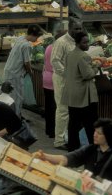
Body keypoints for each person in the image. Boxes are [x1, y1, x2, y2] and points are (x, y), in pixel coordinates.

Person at [35, 118, 112, 188]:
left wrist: (110, 187)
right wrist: (45, 156)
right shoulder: (90, 149)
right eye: (95, 131)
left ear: (108, 136)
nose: (94, 135)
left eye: (99, 133)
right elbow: (67, 159)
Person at [63, 32, 99, 152]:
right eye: (84, 42)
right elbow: (88, 75)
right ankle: (93, 148)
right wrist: (96, 66)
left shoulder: (70, 54)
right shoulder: (83, 56)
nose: (87, 44)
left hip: (72, 94)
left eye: (87, 41)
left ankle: (72, 146)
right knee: (90, 124)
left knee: (73, 123)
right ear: (78, 43)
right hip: (83, 96)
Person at [50, 20, 83, 150]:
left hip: (74, 80)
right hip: (62, 80)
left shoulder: (77, 40)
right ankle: (59, 141)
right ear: (69, 28)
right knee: (63, 110)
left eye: (80, 29)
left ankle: (67, 137)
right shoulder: (61, 42)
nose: (79, 31)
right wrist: (67, 74)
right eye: (76, 29)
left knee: (71, 111)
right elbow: (55, 61)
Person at [4, 25, 42, 117]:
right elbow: (26, 63)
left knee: (10, 95)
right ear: (33, 35)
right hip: (15, 73)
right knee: (17, 97)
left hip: (8, 70)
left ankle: (13, 115)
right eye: (36, 37)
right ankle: (16, 117)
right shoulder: (26, 45)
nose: (37, 39)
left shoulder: (20, 38)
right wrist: (30, 72)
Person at [43, 32, 64, 139]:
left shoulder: (49, 47)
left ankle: (49, 130)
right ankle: (54, 132)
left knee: (49, 107)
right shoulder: (59, 49)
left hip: (46, 78)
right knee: (56, 108)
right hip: (54, 80)